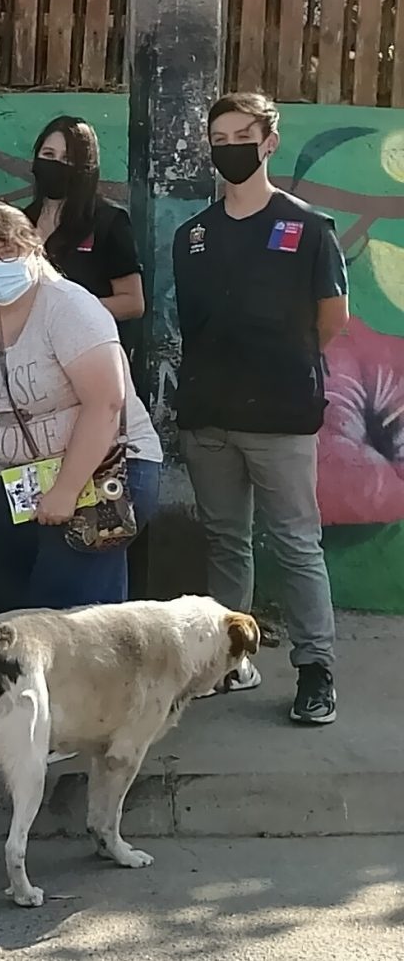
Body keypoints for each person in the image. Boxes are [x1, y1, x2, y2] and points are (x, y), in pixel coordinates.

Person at [176, 92, 348, 725]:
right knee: (226, 540)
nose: (230, 149)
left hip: (281, 416)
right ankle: (232, 660)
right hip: (209, 417)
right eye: (218, 138)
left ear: (269, 142)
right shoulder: (192, 235)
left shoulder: (309, 228)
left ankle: (315, 670)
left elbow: (332, 318)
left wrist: (283, 368)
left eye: (241, 136)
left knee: (296, 544)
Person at [0, 204, 164, 612]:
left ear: (34, 250)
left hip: (102, 471)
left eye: (7, 253)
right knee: (9, 601)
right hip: (17, 481)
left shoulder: (70, 306)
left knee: (70, 611)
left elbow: (106, 402)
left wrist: (66, 490)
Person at [26, 116, 145, 327]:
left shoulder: (108, 222)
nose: (56, 164)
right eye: (48, 154)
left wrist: (69, 310)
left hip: (86, 340)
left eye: (68, 159)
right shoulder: (21, 221)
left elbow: (133, 303)